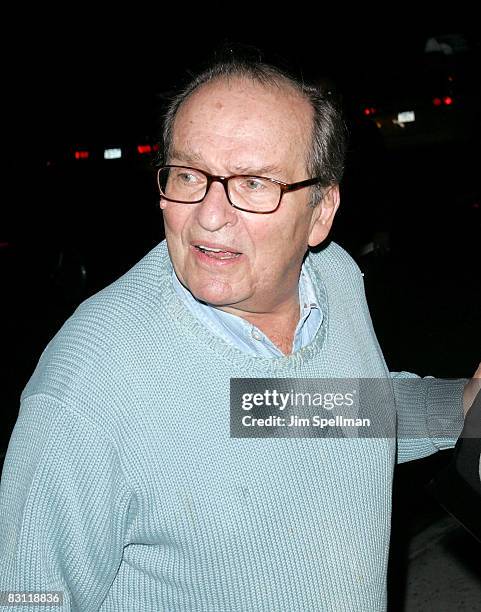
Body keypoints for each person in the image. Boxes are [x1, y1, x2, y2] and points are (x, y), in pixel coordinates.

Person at [0, 52, 479, 611]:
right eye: (188, 175)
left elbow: (293, 413)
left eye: (252, 183)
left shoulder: (332, 277)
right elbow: (28, 595)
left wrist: (458, 407)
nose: (208, 215)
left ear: (321, 212)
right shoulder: (91, 387)